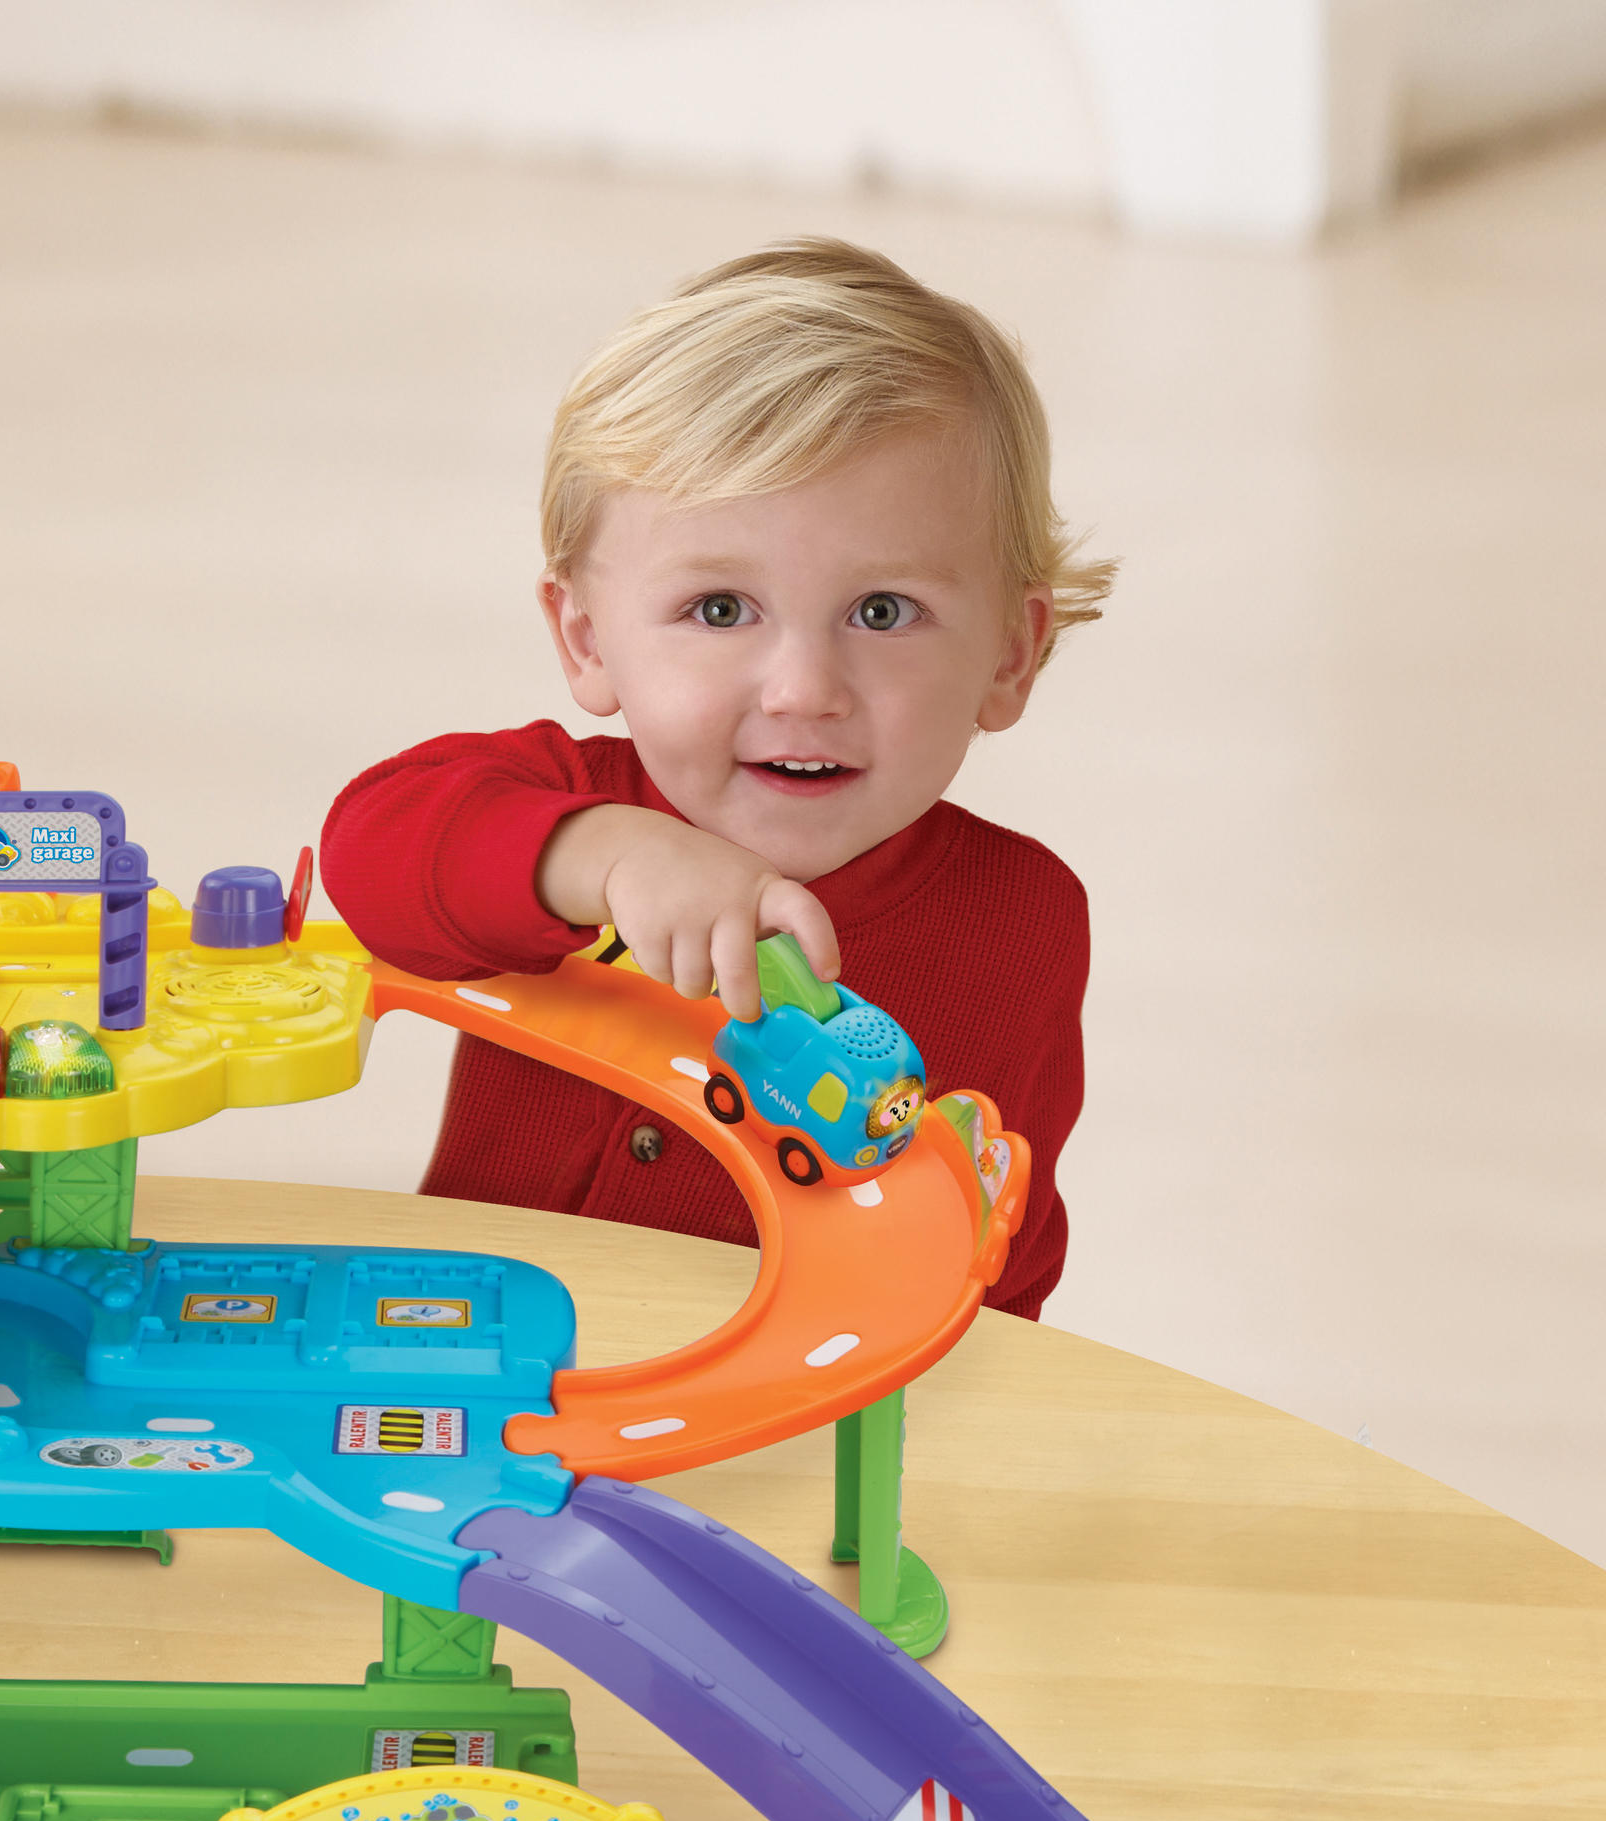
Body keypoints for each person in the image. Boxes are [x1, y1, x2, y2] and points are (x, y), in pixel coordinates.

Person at [320, 238, 1108, 1317]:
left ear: (1010, 654)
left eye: (882, 612)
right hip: (481, 1372)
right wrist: (602, 856)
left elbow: (997, 1250)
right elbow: (371, 851)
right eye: (721, 609)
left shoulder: (1021, 920)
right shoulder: (561, 802)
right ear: (588, 638)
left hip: (804, 1404)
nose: (805, 689)